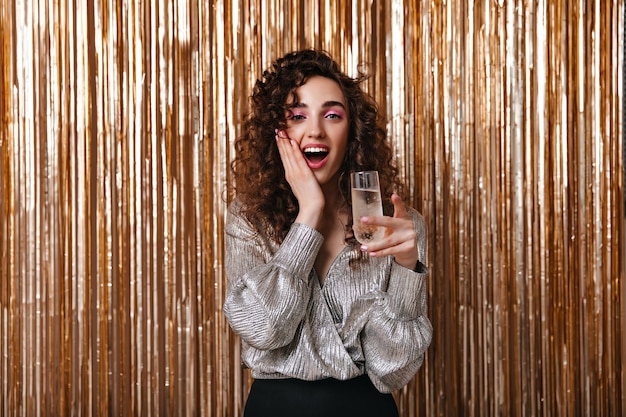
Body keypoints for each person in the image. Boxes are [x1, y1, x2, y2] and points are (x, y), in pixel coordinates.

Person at [223, 49, 432, 417]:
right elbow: (264, 330)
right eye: (298, 116)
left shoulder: (396, 225)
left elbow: (392, 371)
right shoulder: (248, 218)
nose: (315, 129)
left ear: (352, 131)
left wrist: (405, 271)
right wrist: (309, 215)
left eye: (332, 115)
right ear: (279, 131)